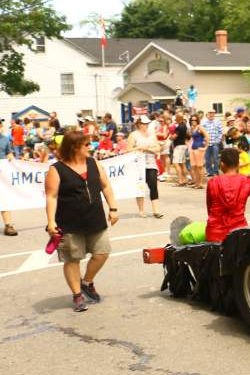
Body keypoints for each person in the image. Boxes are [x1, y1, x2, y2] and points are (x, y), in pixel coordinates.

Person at [44, 130, 120, 312]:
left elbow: (106, 186)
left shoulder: (94, 163)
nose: (90, 147)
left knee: (102, 253)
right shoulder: (56, 169)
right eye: (86, 144)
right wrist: (51, 222)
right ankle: (77, 295)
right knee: (73, 259)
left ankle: (87, 282)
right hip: (69, 223)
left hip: (95, 219)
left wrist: (113, 208)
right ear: (74, 147)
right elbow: (51, 196)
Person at [205, 147, 250, 242]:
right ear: (238, 164)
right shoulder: (248, 181)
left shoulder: (213, 182)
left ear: (222, 164)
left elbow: (210, 209)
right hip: (239, 233)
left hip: (214, 233)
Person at [127, 116, 164, 219]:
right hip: (138, 164)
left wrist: (149, 149)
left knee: (153, 186)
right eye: (144, 123)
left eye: (147, 123)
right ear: (139, 124)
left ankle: (156, 211)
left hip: (151, 164)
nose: (146, 125)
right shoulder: (133, 135)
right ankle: (141, 210)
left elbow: (158, 148)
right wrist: (139, 148)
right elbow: (128, 150)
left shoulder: (152, 135)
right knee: (140, 187)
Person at [1, 122, 16, 236]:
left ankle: (8, 225)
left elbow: (9, 153)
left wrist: (12, 159)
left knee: (3, 199)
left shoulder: (5, 139)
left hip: (2, 174)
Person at [201, 109, 223, 178]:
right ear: (207, 114)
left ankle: (216, 171)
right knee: (207, 159)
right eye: (210, 113)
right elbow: (201, 132)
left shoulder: (218, 122)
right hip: (206, 143)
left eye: (213, 113)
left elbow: (220, 132)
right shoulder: (203, 122)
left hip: (215, 143)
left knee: (216, 158)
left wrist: (218, 140)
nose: (211, 114)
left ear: (214, 114)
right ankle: (209, 172)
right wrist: (203, 141)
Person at [188, 116, 208, 188]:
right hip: (193, 148)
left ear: (197, 120)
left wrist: (205, 147)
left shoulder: (200, 127)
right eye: (192, 120)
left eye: (195, 120)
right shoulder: (192, 128)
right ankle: (197, 183)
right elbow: (191, 139)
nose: (193, 121)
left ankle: (201, 184)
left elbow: (207, 136)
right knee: (194, 167)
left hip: (199, 148)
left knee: (199, 166)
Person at [171, 112, 190, 186]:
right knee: (182, 164)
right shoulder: (184, 125)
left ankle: (180, 181)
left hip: (179, 146)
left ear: (179, 118)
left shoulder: (179, 127)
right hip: (183, 145)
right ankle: (185, 179)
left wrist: (171, 137)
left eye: (176, 117)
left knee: (175, 163)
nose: (175, 118)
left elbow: (174, 136)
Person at [156, 114, 171, 180]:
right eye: (159, 121)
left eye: (161, 121)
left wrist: (157, 133)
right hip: (161, 142)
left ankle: (167, 172)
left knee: (165, 156)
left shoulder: (165, 126)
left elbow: (164, 135)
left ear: (164, 121)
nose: (160, 122)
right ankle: (163, 171)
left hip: (164, 142)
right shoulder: (160, 126)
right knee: (162, 157)